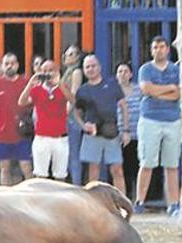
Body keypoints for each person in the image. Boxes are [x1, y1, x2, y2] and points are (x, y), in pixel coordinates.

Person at [135, 37, 181, 217]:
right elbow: (146, 89)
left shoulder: (176, 69)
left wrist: (158, 92)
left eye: (162, 47)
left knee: (172, 165)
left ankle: (174, 204)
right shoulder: (145, 69)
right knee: (147, 163)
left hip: (173, 120)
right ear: (151, 50)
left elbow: (180, 93)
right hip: (150, 120)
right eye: (155, 47)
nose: (159, 50)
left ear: (168, 49)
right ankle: (139, 202)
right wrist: (169, 88)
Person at [74, 55, 129, 193]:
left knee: (117, 169)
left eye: (93, 66)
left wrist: (126, 130)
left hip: (112, 133)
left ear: (99, 67)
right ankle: (94, 204)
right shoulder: (82, 90)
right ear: (84, 70)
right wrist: (83, 125)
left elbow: (123, 107)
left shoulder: (112, 84)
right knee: (93, 170)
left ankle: (122, 203)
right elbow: (76, 113)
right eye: (87, 67)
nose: (90, 69)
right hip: (92, 135)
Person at [18, 60, 74, 181]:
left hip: (60, 138)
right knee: (40, 176)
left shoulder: (63, 88)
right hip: (42, 138)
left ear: (57, 72)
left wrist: (59, 83)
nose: (48, 74)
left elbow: (72, 100)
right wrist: (30, 84)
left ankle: (59, 199)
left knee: (60, 175)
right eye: (44, 71)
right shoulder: (37, 89)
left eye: (50, 70)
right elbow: (22, 102)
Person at [0, 53, 32, 186]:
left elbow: (32, 105)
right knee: (4, 169)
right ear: (2, 66)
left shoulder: (25, 82)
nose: (10, 66)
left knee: (27, 168)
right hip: (1, 134)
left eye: (12, 63)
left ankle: (32, 196)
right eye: (6, 63)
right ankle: (5, 200)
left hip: (22, 133)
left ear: (17, 65)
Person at [116, 62, 142, 201]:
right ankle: (124, 198)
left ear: (131, 74)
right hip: (119, 135)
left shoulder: (139, 89)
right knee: (122, 168)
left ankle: (138, 197)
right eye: (120, 71)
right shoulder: (113, 91)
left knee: (137, 167)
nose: (123, 74)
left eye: (126, 71)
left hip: (138, 133)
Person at [62, 45, 85, 185]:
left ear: (77, 57)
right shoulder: (67, 72)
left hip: (70, 116)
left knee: (73, 154)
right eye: (66, 53)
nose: (66, 56)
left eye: (70, 54)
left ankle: (76, 185)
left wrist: (64, 113)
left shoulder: (76, 72)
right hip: (66, 115)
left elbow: (73, 94)